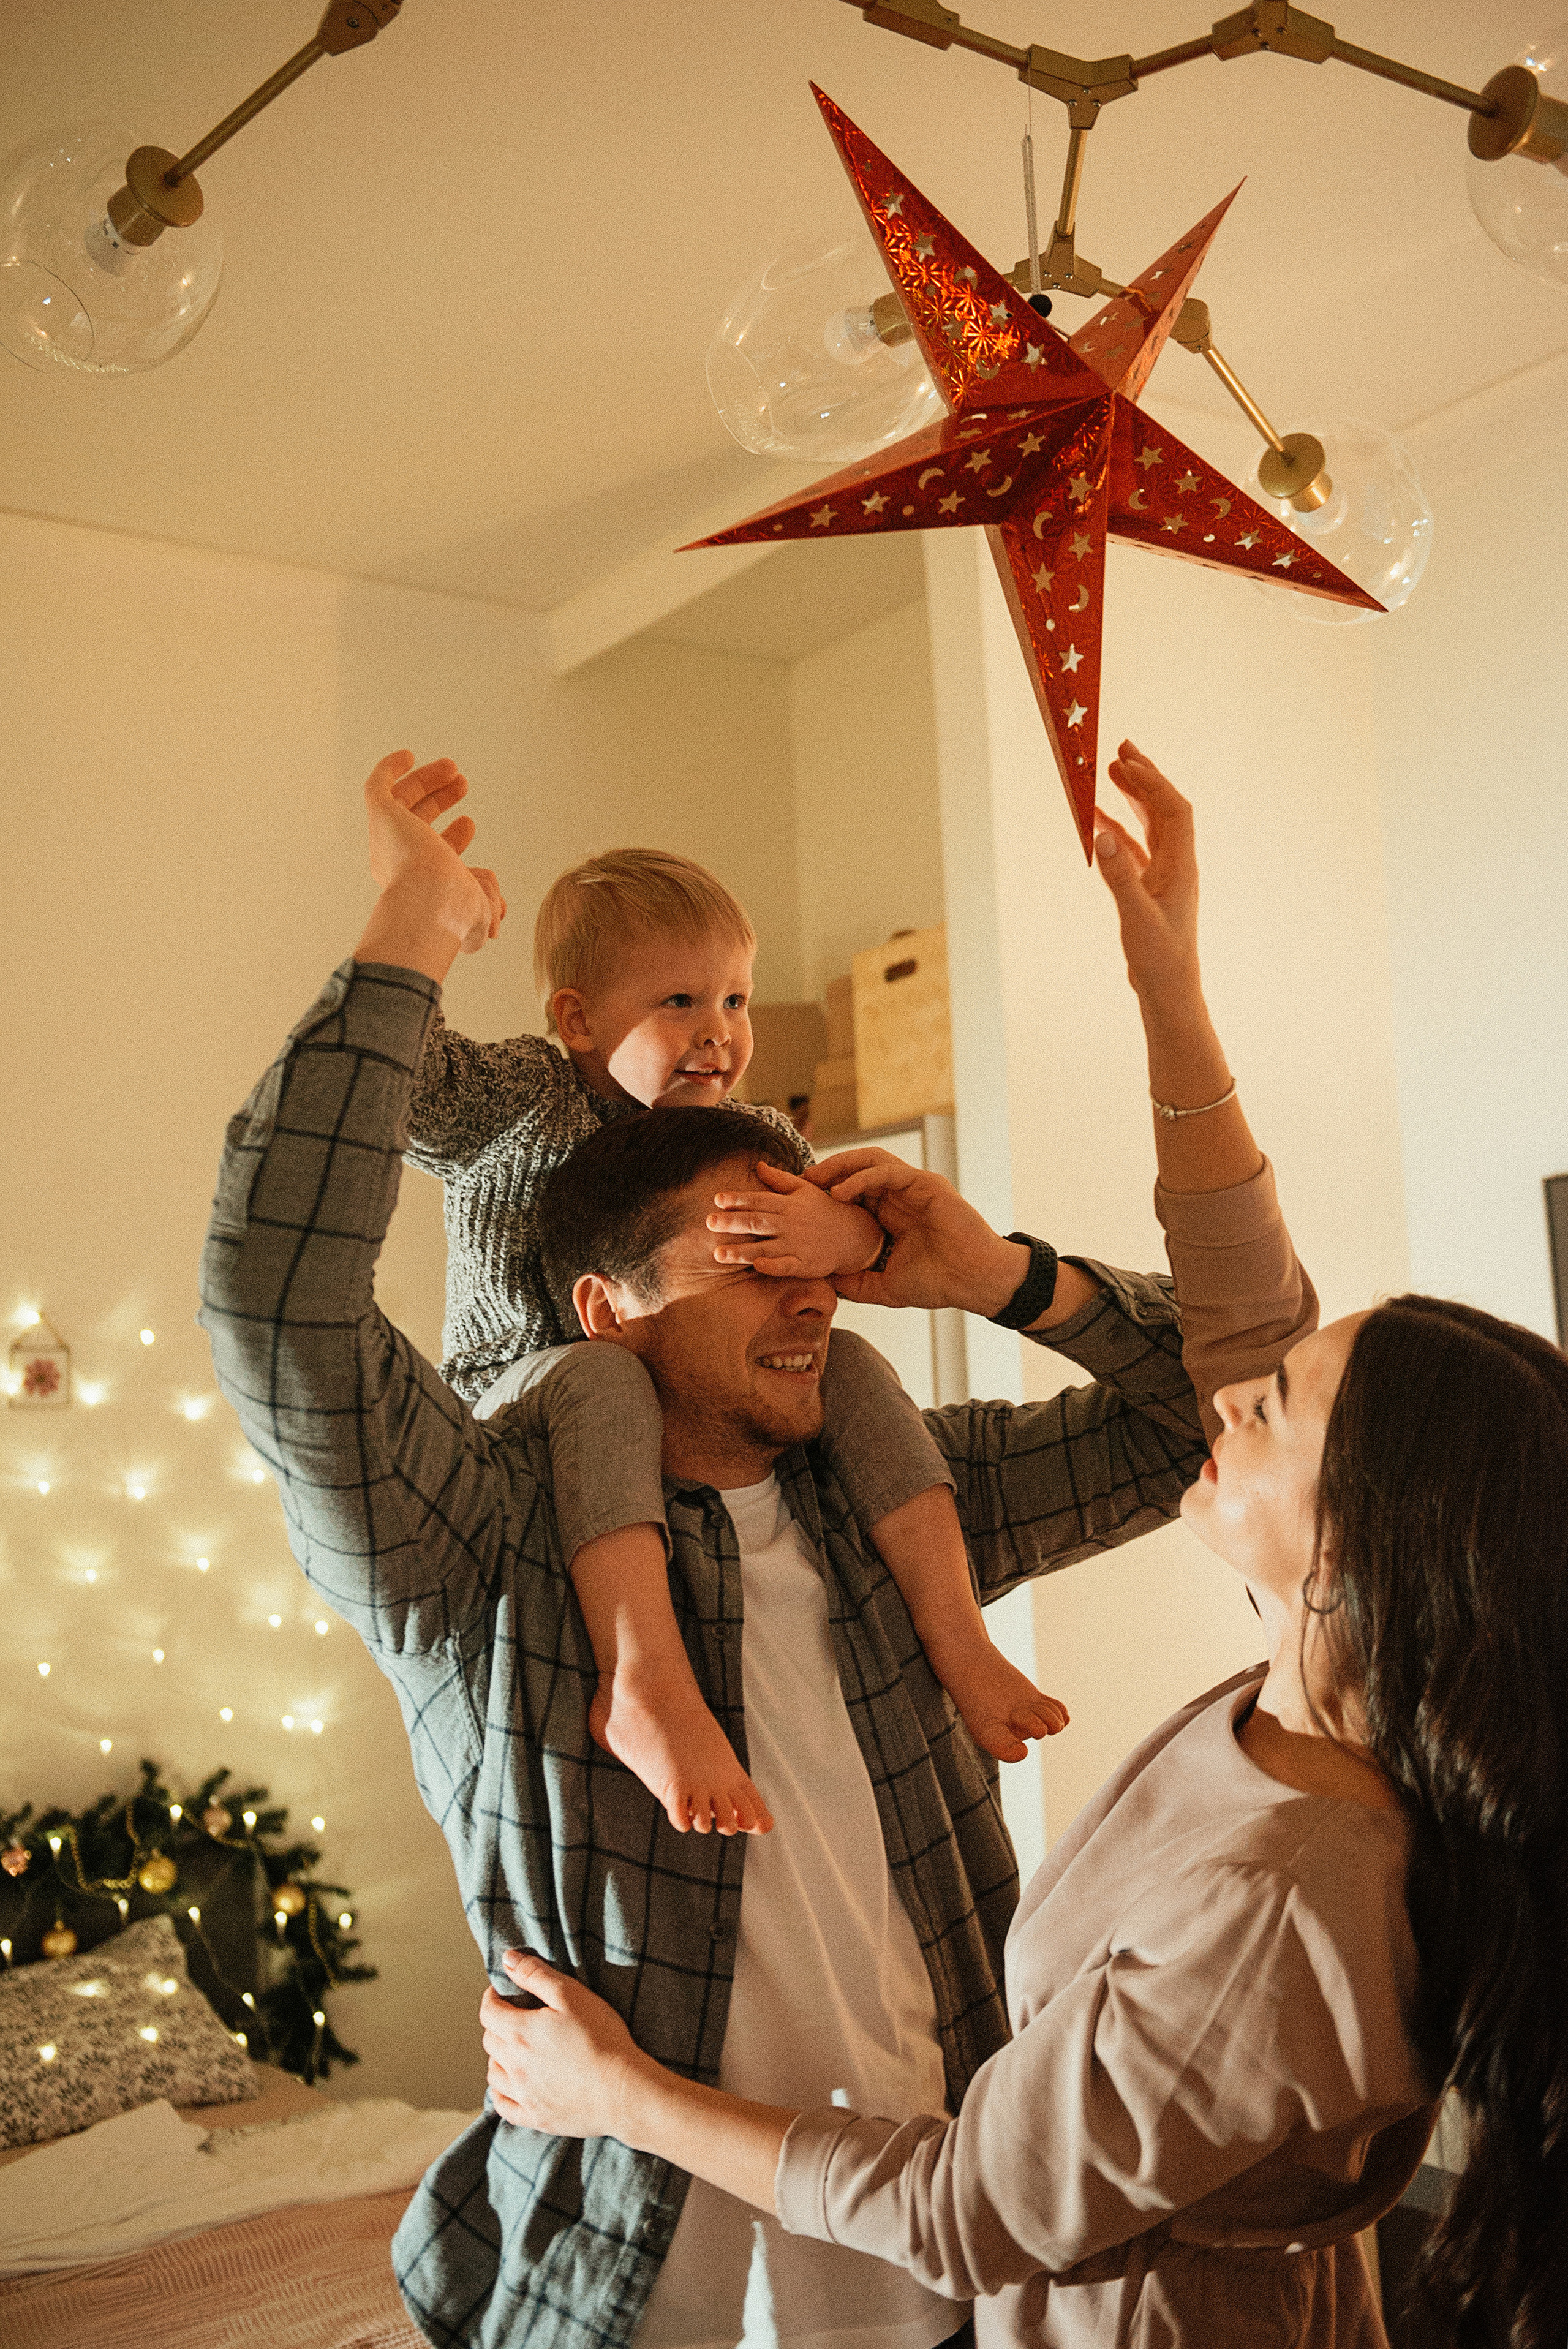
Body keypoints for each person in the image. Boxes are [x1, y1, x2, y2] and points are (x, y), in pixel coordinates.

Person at [198, 742, 1313, 2349]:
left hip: (963, 2280)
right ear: (606, 1306)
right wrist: (411, 930)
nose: (811, 1296)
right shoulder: (479, 1547)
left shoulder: (897, 1499)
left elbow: (1232, 1407)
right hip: (622, 2294)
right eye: (745, 1255)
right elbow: (275, 1305)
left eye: (816, 1258)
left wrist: (1003, 1276)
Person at [479, 756, 1568, 2349]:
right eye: (744, 1259)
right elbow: (1234, 1334)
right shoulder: (1317, 1688)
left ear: (1355, 1548)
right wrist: (1146, 1016)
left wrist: (615, 2092)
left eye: (1274, 1409)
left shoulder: (1285, 1882)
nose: (1232, 1400)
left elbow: (964, 2206)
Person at [397, 787, 1066, 1835]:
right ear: (578, 1019)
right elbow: (403, 1082)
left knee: (853, 1365)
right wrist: (425, 922)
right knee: (601, 1376)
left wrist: (847, 1237)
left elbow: (869, 1232)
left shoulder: (754, 1135)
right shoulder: (523, 1095)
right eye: (680, 1003)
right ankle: (644, 1680)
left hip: (684, 1409)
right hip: (521, 1402)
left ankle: (957, 1633)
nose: (719, 1032)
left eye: (737, 1002)